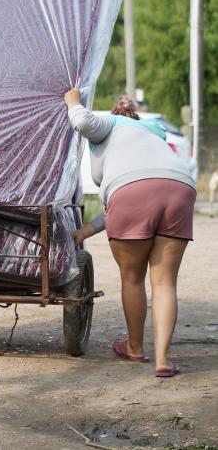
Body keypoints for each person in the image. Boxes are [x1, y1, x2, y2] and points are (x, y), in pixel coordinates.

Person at [67, 91, 196, 378]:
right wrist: (87, 229)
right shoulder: (152, 131)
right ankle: (162, 360)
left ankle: (135, 346)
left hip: (131, 193)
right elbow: (144, 186)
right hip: (180, 187)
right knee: (164, 284)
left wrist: (72, 101)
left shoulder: (110, 123)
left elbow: (83, 122)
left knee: (132, 278)